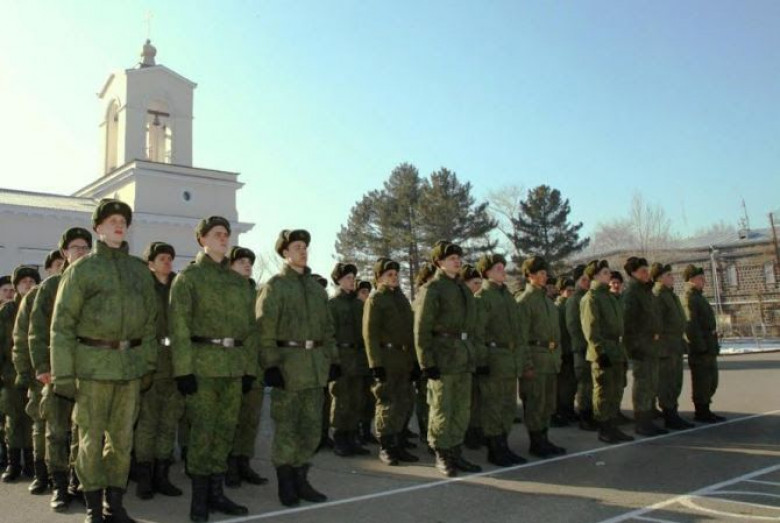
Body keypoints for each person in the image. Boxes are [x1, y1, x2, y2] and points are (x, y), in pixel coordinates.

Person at [51, 199, 157, 523]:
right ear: (98, 228)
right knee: (90, 440)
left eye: (123, 220)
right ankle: (93, 508)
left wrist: (148, 364)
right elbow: (62, 325)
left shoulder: (139, 270)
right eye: (112, 220)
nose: (119, 225)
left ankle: (115, 504)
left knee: (122, 441)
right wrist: (63, 375)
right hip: (93, 368)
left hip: (129, 369)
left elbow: (151, 324)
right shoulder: (82, 270)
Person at [170, 217, 258, 521]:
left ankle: (217, 494)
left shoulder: (239, 282)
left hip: (233, 368)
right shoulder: (189, 278)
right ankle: (199, 499)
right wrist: (183, 371)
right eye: (217, 234)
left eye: (226, 234)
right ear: (202, 239)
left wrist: (249, 369)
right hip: (202, 367)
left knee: (225, 431)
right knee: (202, 432)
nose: (224, 238)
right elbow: (179, 327)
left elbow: (250, 329)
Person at [256, 229, 340, 507]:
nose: (303, 251)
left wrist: (334, 360)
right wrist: (271, 365)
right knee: (287, 427)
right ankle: (286, 483)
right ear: (285, 253)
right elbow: (264, 328)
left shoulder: (317, 290)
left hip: (315, 368)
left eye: (305, 246)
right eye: (296, 247)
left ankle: (302, 479)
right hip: (289, 368)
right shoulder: (276, 286)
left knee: (311, 428)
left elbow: (328, 329)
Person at [29, 226, 92, 511]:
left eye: (85, 247)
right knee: (56, 431)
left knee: (83, 431)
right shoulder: (50, 287)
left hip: (88, 370)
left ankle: (78, 481)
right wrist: (42, 366)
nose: (81, 252)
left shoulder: (94, 283)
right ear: (65, 253)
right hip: (56, 370)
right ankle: (59, 485)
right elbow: (36, 331)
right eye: (75, 247)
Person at [414, 241, 483, 477]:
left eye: (458, 257)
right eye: (451, 258)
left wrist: (473, 354)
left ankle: (455, 451)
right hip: (443, 357)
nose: (457, 261)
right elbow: (421, 329)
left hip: (463, 356)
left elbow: (472, 327)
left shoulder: (463, 289)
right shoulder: (432, 289)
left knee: (461, 409)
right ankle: (442, 453)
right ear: (439, 262)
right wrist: (426, 362)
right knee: (442, 407)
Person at [133, 241, 184, 500]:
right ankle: (144, 477)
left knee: (168, 423)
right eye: (161, 258)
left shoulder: (180, 287)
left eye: (169, 258)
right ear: (150, 263)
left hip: (176, 364)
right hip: (150, 364)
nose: (167, 262)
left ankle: (162, 476)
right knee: (147, 424)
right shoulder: (142, 288)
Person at [474, 253, 532, 467]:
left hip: (510, 359)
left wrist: (523, 360)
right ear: (486, 272)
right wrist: (482, 361)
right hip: (494, 359)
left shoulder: (507, 296)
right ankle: (495, 449)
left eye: (503, 267)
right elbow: (477, 333)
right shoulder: (482, 297)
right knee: (493, 406)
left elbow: (519, 332)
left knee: (508, 406)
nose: (503, 271)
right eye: (498, 268)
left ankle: (503, 445)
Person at [14, 255, 63, 495]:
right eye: (57, 266)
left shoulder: (79, 290)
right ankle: (41, 474)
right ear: (48, 270)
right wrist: (26, 372)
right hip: (41, 373)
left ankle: (65, 478)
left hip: (69, 372)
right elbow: (22, 338)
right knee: (41, 425)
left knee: (66, 429)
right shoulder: (35, 296)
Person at [363, 258, 418, 467]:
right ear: (379, 278)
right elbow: (370, 334)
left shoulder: (401, 299)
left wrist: (415, 361)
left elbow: (410, 332)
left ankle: (398, 442)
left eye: (396, 274)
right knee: (387, 401)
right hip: (386, 358)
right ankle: (386, 446)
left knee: (404, 401)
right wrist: (375, 364)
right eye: (389, 275)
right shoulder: (376, 299)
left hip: (404, 358)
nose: (394, 278)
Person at [223, 246, 268, 489]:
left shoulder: (257, 293)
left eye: (249, 262)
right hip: (231, 364)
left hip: (255, 366)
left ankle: (244, 462)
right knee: (232, 418)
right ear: (230, 265)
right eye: (241, 261)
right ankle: (228, 464)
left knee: (251, 418)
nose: (247, 265)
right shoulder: (224, 291)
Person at [516, 257, 565, 458]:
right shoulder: (524, 302)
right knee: (535, 403)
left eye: (545, 273)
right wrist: (526, 364)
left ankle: (544, 438)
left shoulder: (548, 302)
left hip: (550, 360)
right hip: (535, 360)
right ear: (530, 275)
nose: (545, 276)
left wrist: (558, 357)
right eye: (541, 273)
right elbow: (521, 337)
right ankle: (536, 443)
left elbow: (556, 334)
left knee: (547, 404)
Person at [580, 260, 634, 445]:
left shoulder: (610, 297)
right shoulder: (591, 298)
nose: (609, 275)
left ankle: (612, 425)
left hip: (616, 349)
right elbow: (591, 330)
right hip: (603, 351)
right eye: (604, 272)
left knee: (616, 389)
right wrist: (600, 353)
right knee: (603, 391)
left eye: (608, 272)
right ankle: (604, 428)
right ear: (594, 276)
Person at [1, 265, 41, 483]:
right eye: (23, 281)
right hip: (11, 374)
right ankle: (13, 464)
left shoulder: (40, 306)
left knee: (34, 418)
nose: (28, 284)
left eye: (31, 281)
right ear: (16, 286)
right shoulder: (7, 311)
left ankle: (32, 464)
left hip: (36, 373)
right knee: (14, 419)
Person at [328, 262, 370, 458]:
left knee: (357, 400)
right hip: (342, 357)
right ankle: (340, 439)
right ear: (338, 281)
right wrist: (333, 361)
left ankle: (352, 438)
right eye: (347, 278)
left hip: (358, 357)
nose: (352, 281)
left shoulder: (359, 305)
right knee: (341, 399)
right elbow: (329, 335)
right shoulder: (333, 305)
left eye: (353, 278)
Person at [622, 257, 667, 437]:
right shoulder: (632, 294)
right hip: (641, 346)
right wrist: (633, 347)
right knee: (642, 384)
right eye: (642, 271)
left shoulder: (646, 291)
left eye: (646, 270)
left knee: (651, 383)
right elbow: (628, 324)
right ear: (633, 273)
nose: (646, 274)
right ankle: (641, 422)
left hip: (652, 346)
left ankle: (648, 417)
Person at [651, 263, 694, 430]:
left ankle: (673, 412)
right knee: (667, 383)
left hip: (675, 344)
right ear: (659, 278)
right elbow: (656, 323)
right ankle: (669, 415)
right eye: (668, 275)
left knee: (675, 381)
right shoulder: (658, 295)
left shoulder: (670, 295)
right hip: (665, 347)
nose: (672, 277)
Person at [681, 264, 725, 423]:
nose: (704, 281)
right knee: (702, 381)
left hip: (708, 345)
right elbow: (691, 325)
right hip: (700, 348)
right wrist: (700, 346)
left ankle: (706, 408)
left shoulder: (698, 296)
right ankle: (701, 411)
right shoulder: (689, 298)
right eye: (700, 278)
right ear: (691, 280)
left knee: (711, 380)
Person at [566, 265, 598, 432]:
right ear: (577, 281)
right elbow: (573, 327)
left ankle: (592, 414)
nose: (587, 282)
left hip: (591, 348)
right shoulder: (574, 300)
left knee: (592, 384)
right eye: (583, 280)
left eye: (588, 279)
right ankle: (585, 417)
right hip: (582, 350)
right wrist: (584, 346)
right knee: (585, 385)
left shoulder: (589, 297)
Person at [460, 264, 484, 450]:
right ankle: (467, 433)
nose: (478, 287)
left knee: (477, 398)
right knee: (466, 399)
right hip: (464, 356)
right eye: (475, 283)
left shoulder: (477, 302)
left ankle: (475, 430)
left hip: (476, 355)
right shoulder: (462, 304)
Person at [552, 277, 577, 427]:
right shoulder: (558, 308)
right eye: (568, 291)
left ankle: (568, 409)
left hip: (571, 350)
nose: (571, 293)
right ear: (561, 291)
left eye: (573, 291)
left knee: (571, 385)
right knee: (561, 386)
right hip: (562, 351)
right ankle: (560, 411)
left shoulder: (570, 306)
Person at [355, 280, 377, 445]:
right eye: (363, 292)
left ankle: (366, 430)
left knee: (370, 398)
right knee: (358, 398)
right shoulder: (355, 310)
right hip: (356, 360)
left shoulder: (371, 310)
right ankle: (355, 432)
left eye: (368, 292)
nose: (366, 295)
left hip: (369, 360)